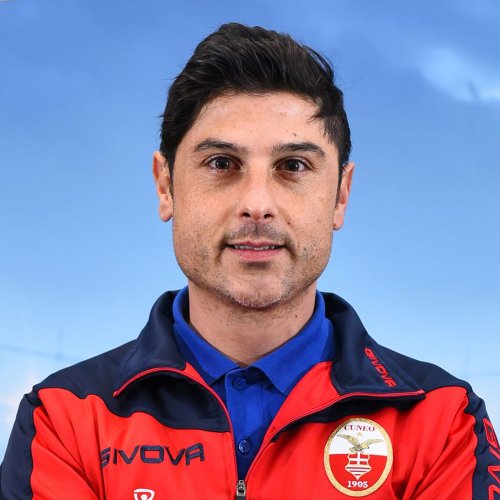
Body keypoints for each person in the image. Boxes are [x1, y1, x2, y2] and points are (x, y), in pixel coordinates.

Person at [1, 22, 499, 500]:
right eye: (222, 163)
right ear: (165, 185)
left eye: (293, 166)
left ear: (341, 196)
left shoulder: (442, 421)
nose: (257, 204)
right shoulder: (64, 419)